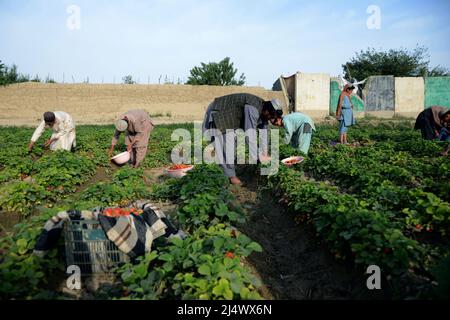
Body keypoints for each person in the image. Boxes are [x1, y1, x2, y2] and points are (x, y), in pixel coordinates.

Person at [202, 93, 279, 185]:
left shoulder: (264, 112)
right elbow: (250, 133)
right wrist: (257, 155)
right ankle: (231, 176)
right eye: (271, 117)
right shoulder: (253, 108)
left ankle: (221, 166)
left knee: (227, 143)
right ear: (267, 111)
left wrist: (265, 154)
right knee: (227, 144)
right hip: (221, 111)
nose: (270, 119)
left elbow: (264, 134)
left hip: (231, 116)